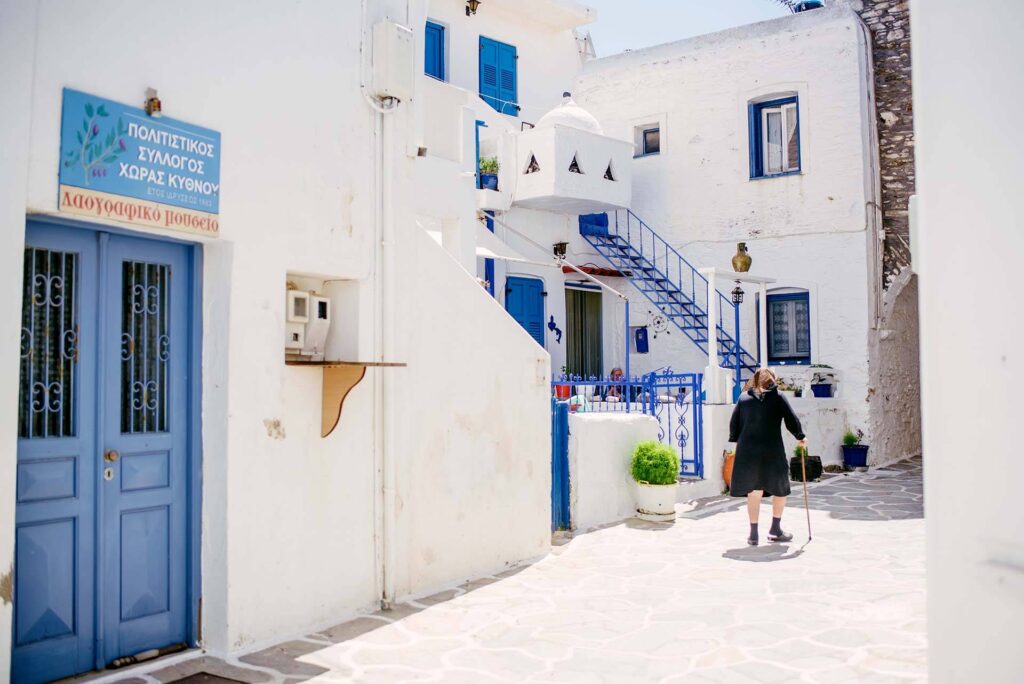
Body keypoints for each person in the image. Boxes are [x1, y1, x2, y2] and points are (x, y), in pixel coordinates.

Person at [728, 368, 806, 546]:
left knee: (754, 492)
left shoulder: (744, 398)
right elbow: (791, 419)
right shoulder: (777, 397)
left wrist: (736, 438)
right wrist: (800, 436)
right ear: (771, 380)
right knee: (780, 489)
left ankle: (753, 534)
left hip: (747, 451)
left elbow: (734, 423)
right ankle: (775, 529)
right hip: (772, 450)